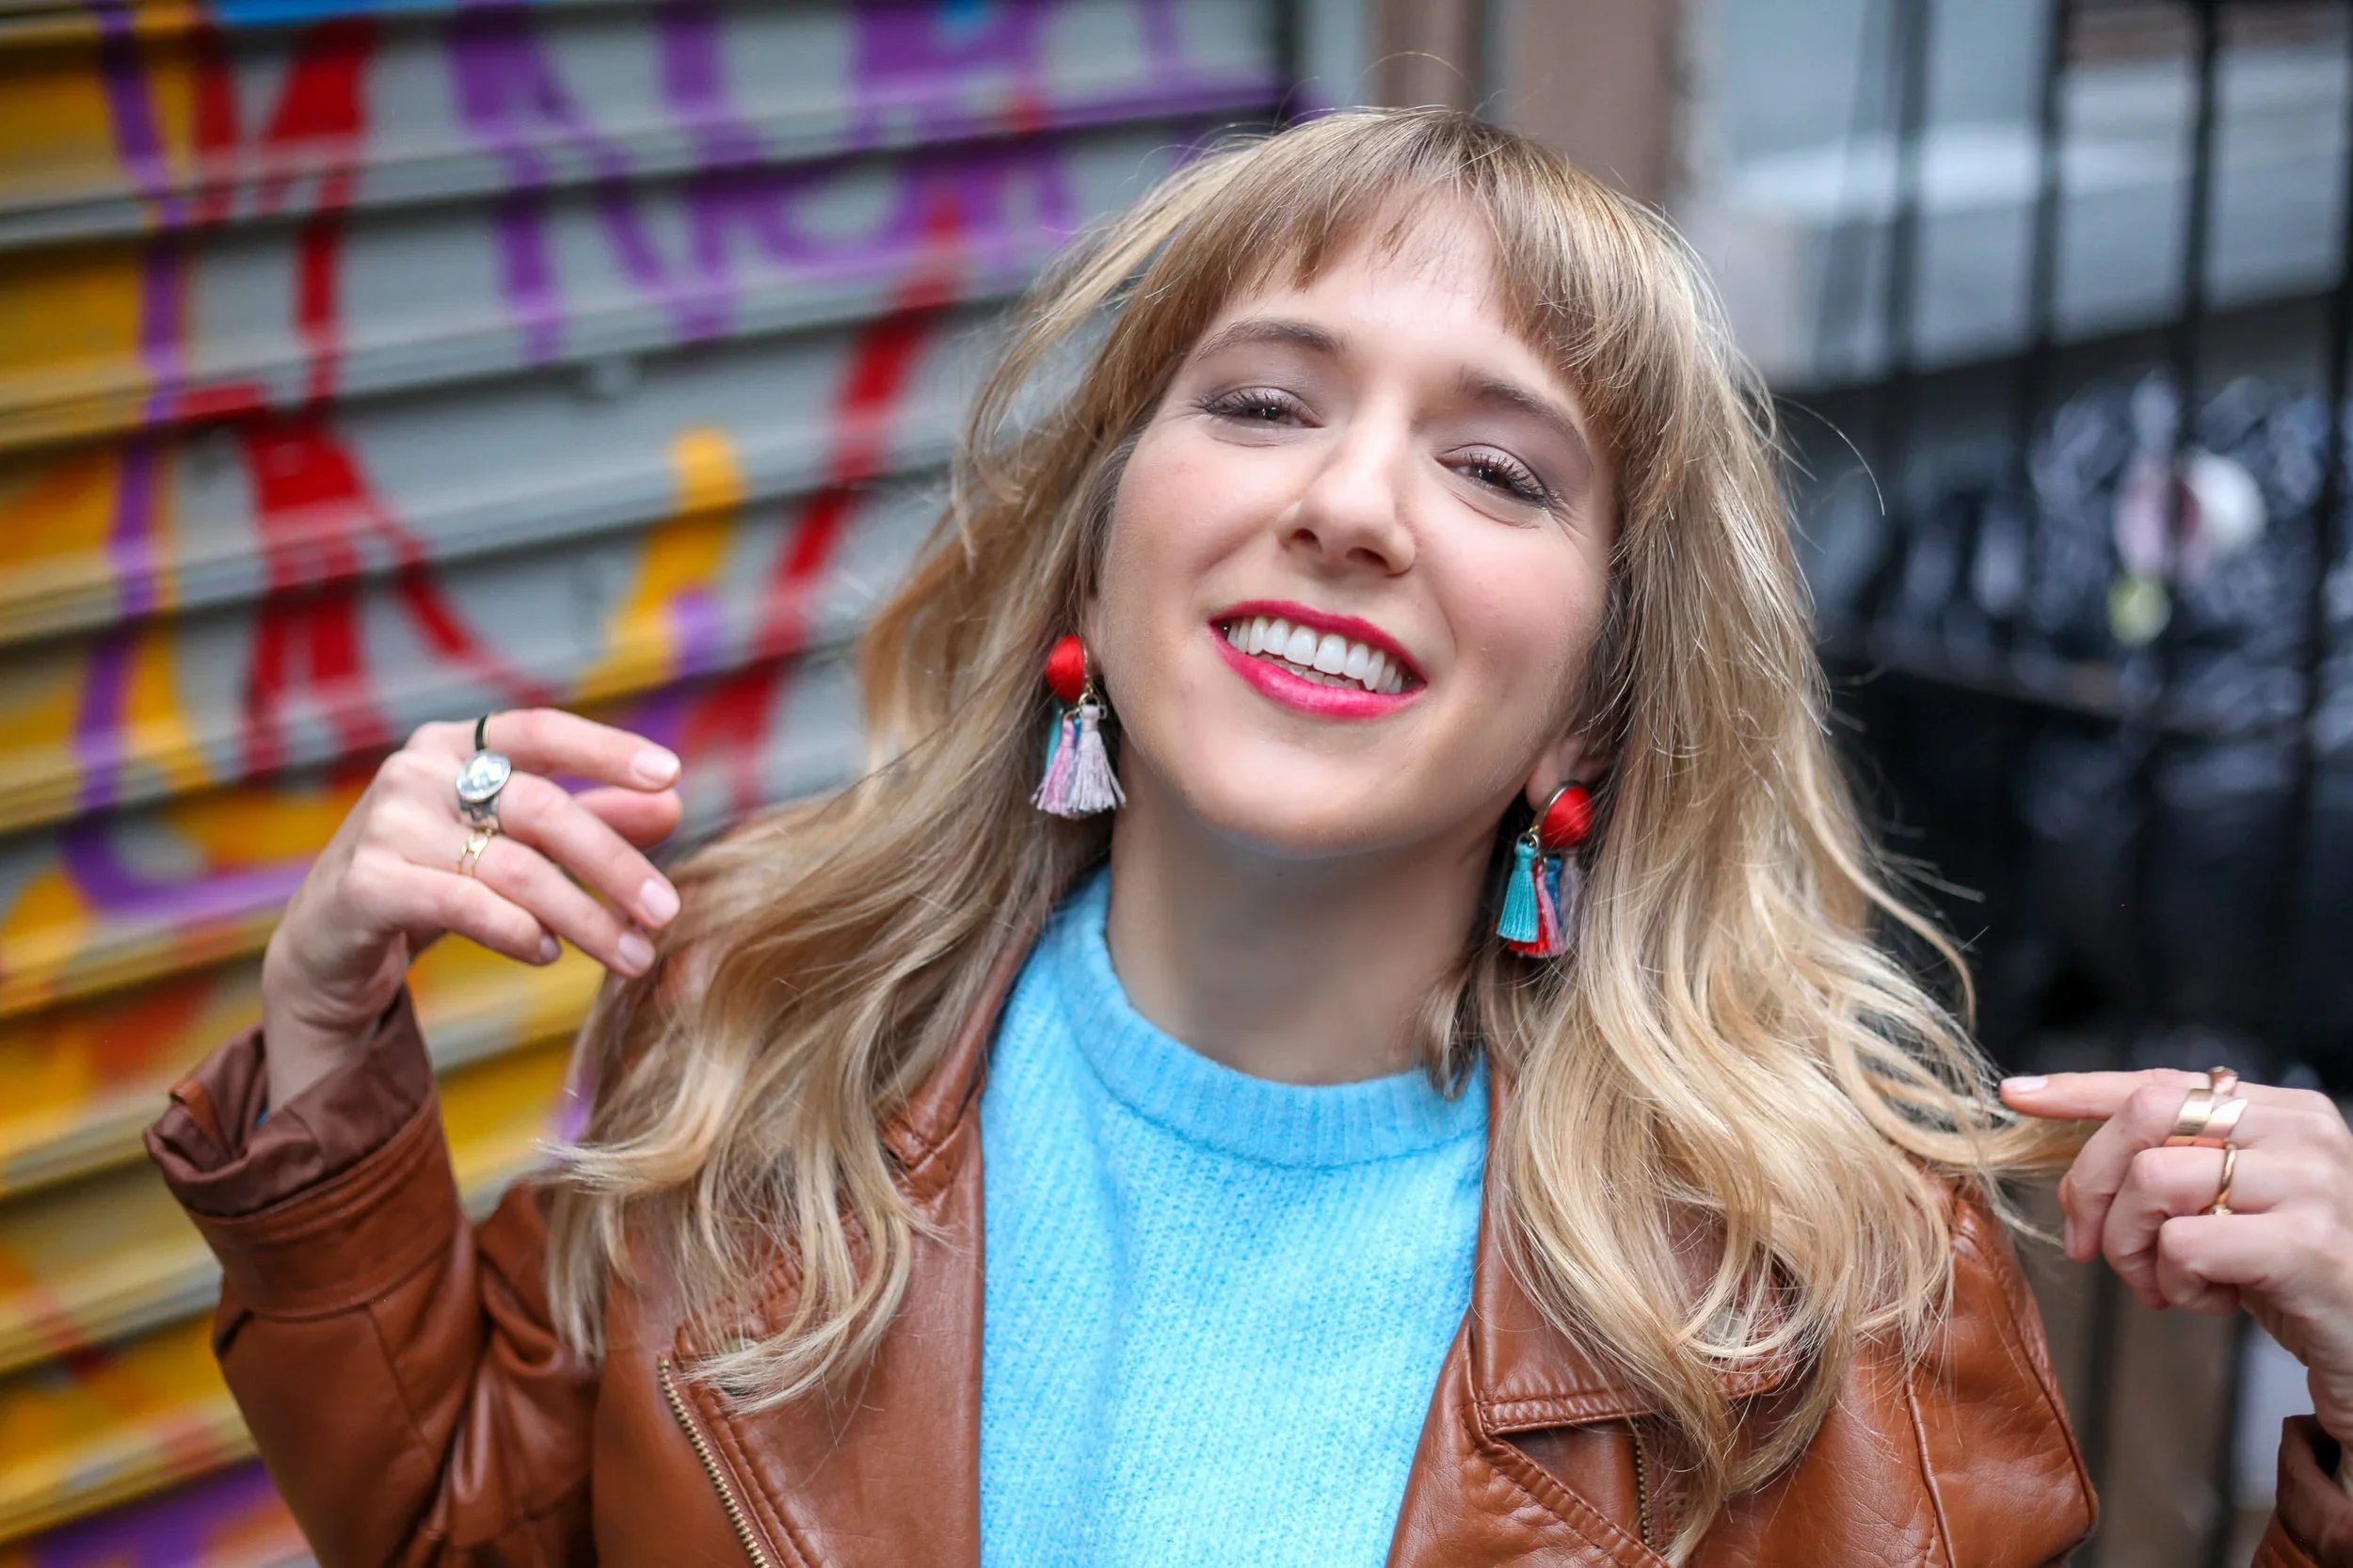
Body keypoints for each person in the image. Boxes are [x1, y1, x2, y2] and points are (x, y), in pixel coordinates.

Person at [146, 108, 2353, 1567]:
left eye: (1499, 470)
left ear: (1591, 688)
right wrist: (329, 1065)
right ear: (1094, 548)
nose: (1353, 501)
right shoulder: (759, 1019)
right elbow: (478, 1529)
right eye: (1263, 399)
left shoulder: (1813, 1271)